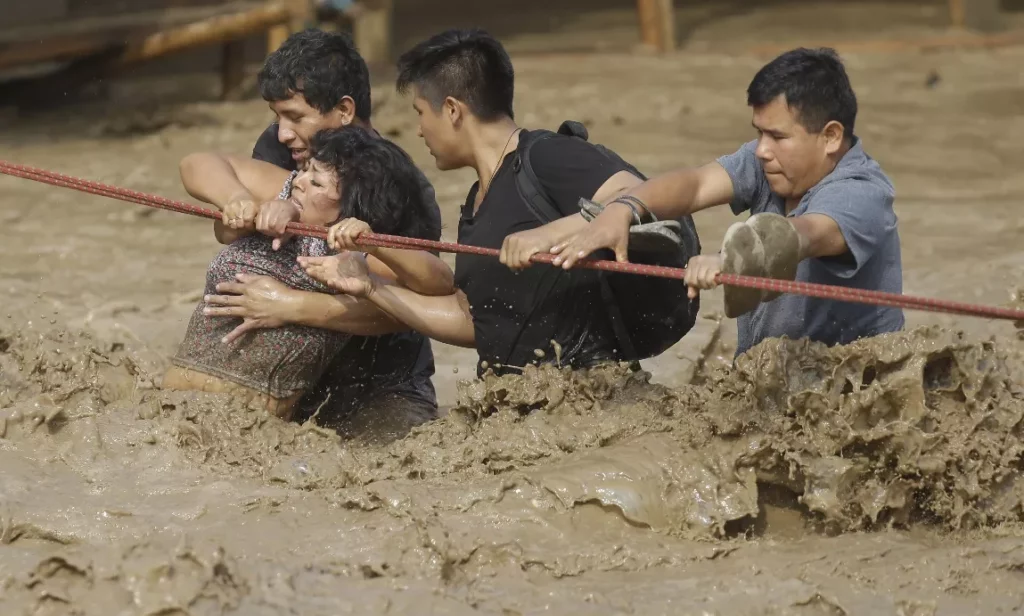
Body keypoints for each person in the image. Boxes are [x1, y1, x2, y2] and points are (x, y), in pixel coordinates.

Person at [299, 29, 700, 376]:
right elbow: (473, 321)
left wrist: (549, 234)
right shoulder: (477, 204)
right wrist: (371, 287)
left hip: (593, 400)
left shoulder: (547, 155)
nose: (419, 131)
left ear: (452, 110)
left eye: (420, 112)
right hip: (517, 406)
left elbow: (634, 194)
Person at [551, 47, 905, 357]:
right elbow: (695, 184)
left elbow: (803, 235)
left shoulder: (861, 193)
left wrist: (729, 258)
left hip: (849, 388)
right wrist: (623, 209)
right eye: (759, 132)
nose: (762, 149)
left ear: (831, 137)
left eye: (777, 136)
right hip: (771, 374)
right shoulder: (768, 162)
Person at [201, 28, 446, 439]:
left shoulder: (400, 185)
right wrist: (238, 204)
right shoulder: (287, 148)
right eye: (277, 116)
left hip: (381, 386)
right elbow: (215, 197)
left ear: (345, 110)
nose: (282, 132)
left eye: (295, 117)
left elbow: (414, 306)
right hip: (296, 379)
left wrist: (291, 305)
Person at [164, 126, 453, 425]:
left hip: (248, 429)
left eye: (316, 182)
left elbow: (438, 283)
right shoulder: (283, 196)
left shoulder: (348, 253)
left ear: (347, 212)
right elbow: (194, 164)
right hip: (168, 410)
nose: (298, 181)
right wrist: (239, 199)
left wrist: (374, 244)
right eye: (304, 170)